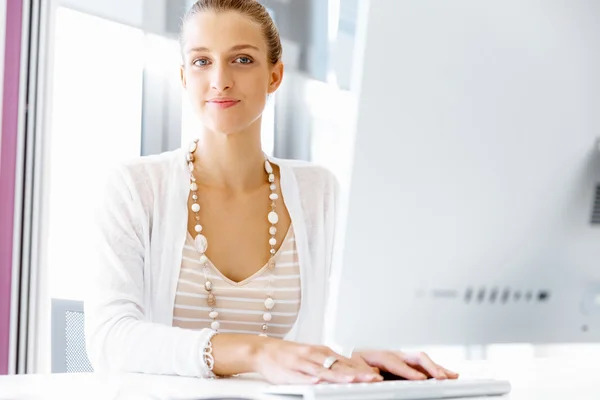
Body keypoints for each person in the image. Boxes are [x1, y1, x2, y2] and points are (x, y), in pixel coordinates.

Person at [85, 0, 459, 385]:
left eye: (242, 60)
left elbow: (348, 323)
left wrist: (363, 351)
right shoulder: (136, 188)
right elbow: (109, 338)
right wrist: (258, 353)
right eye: (201, 61)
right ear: (183, 77)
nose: (219, 80)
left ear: (275, 76)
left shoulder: (319, 193)